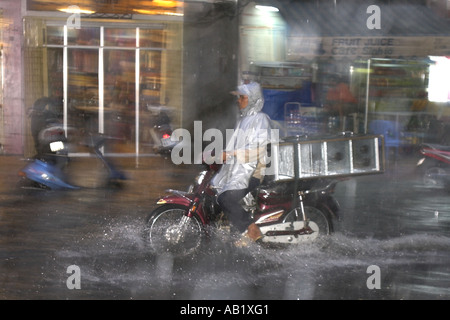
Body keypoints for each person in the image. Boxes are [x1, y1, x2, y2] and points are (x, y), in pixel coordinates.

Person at [211, 82, 273, 246]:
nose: (239, 101)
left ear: (253, 99)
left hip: (253, 172)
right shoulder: (244, 120)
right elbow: (233, 147)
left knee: (226, 199)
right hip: (239, 168)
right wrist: (219, 155)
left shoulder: (261, 119)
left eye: (242, 97)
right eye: (239, 98)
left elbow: (256, 149)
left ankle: (251, 229)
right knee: (214, 191)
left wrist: (231, 154)